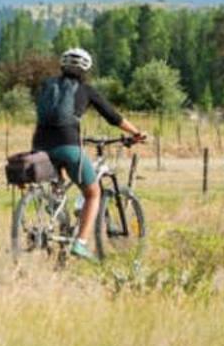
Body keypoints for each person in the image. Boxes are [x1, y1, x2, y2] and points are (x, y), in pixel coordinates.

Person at [33, 46, 146, 261]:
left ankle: (56, 221)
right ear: (86, 70)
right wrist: (136, 133)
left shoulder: (47, 85)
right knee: (94, 193)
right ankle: (81, 243)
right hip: (68, 144)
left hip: (39, 145)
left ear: (62, 66)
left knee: (59, 185)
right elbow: (113, 116)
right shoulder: (86, 90)